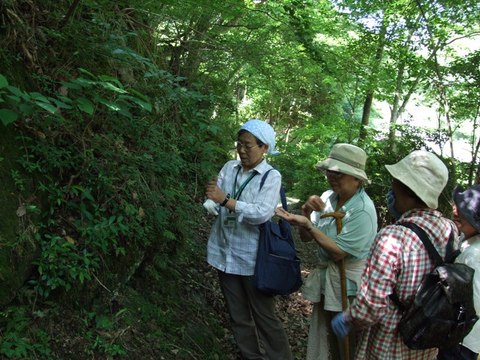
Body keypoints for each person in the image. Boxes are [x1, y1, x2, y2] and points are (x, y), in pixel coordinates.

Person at [331, 150, 458, 359]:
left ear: (401, 186)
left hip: (389, 343)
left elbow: (371, 306)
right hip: (425, 342)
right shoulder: (450, 229)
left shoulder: (392, 236)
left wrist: (348, 319)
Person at [275, 143, 378, 360]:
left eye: (339, 173)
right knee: (327, 337)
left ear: (356, 178)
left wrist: (310, 226)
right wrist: (306, 213)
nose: (332, 176)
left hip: (348, 287)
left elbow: (339, 252)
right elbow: (307, 239)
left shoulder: (363, 210)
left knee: (348, 346)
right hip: (329, 282)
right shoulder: (328, 199)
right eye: (330, 171)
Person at [204, 119, 293, 360]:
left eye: (248, 145)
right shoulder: (230, 167)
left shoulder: (270, 176)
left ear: (264, 148)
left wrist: (225, 201)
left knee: (265, 317)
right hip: (225, 252)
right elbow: (216, 194)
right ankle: (250, 355)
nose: (241, 150)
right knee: (238, 315)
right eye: (239, 144)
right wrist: (212, 201)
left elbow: (261, 213)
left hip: (253, 259)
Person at [436, 185, 480, 360]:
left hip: (462, 339)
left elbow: (475, 303)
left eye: (462, 216)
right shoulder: (468, 244)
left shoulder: (474, 254)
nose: (456, 213)